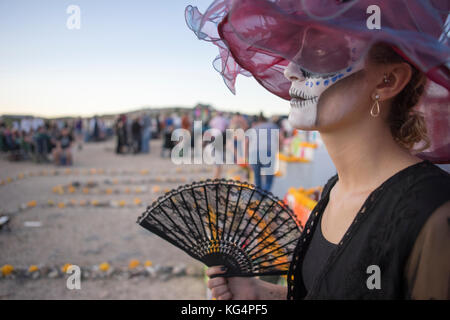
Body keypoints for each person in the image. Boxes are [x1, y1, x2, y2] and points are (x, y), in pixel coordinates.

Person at [187, 0, 450, 300]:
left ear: (388, 80)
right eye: (293, 55)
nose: (290, 72)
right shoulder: (334, 191)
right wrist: (261, 293)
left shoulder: (434, 215)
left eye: (320, 54)